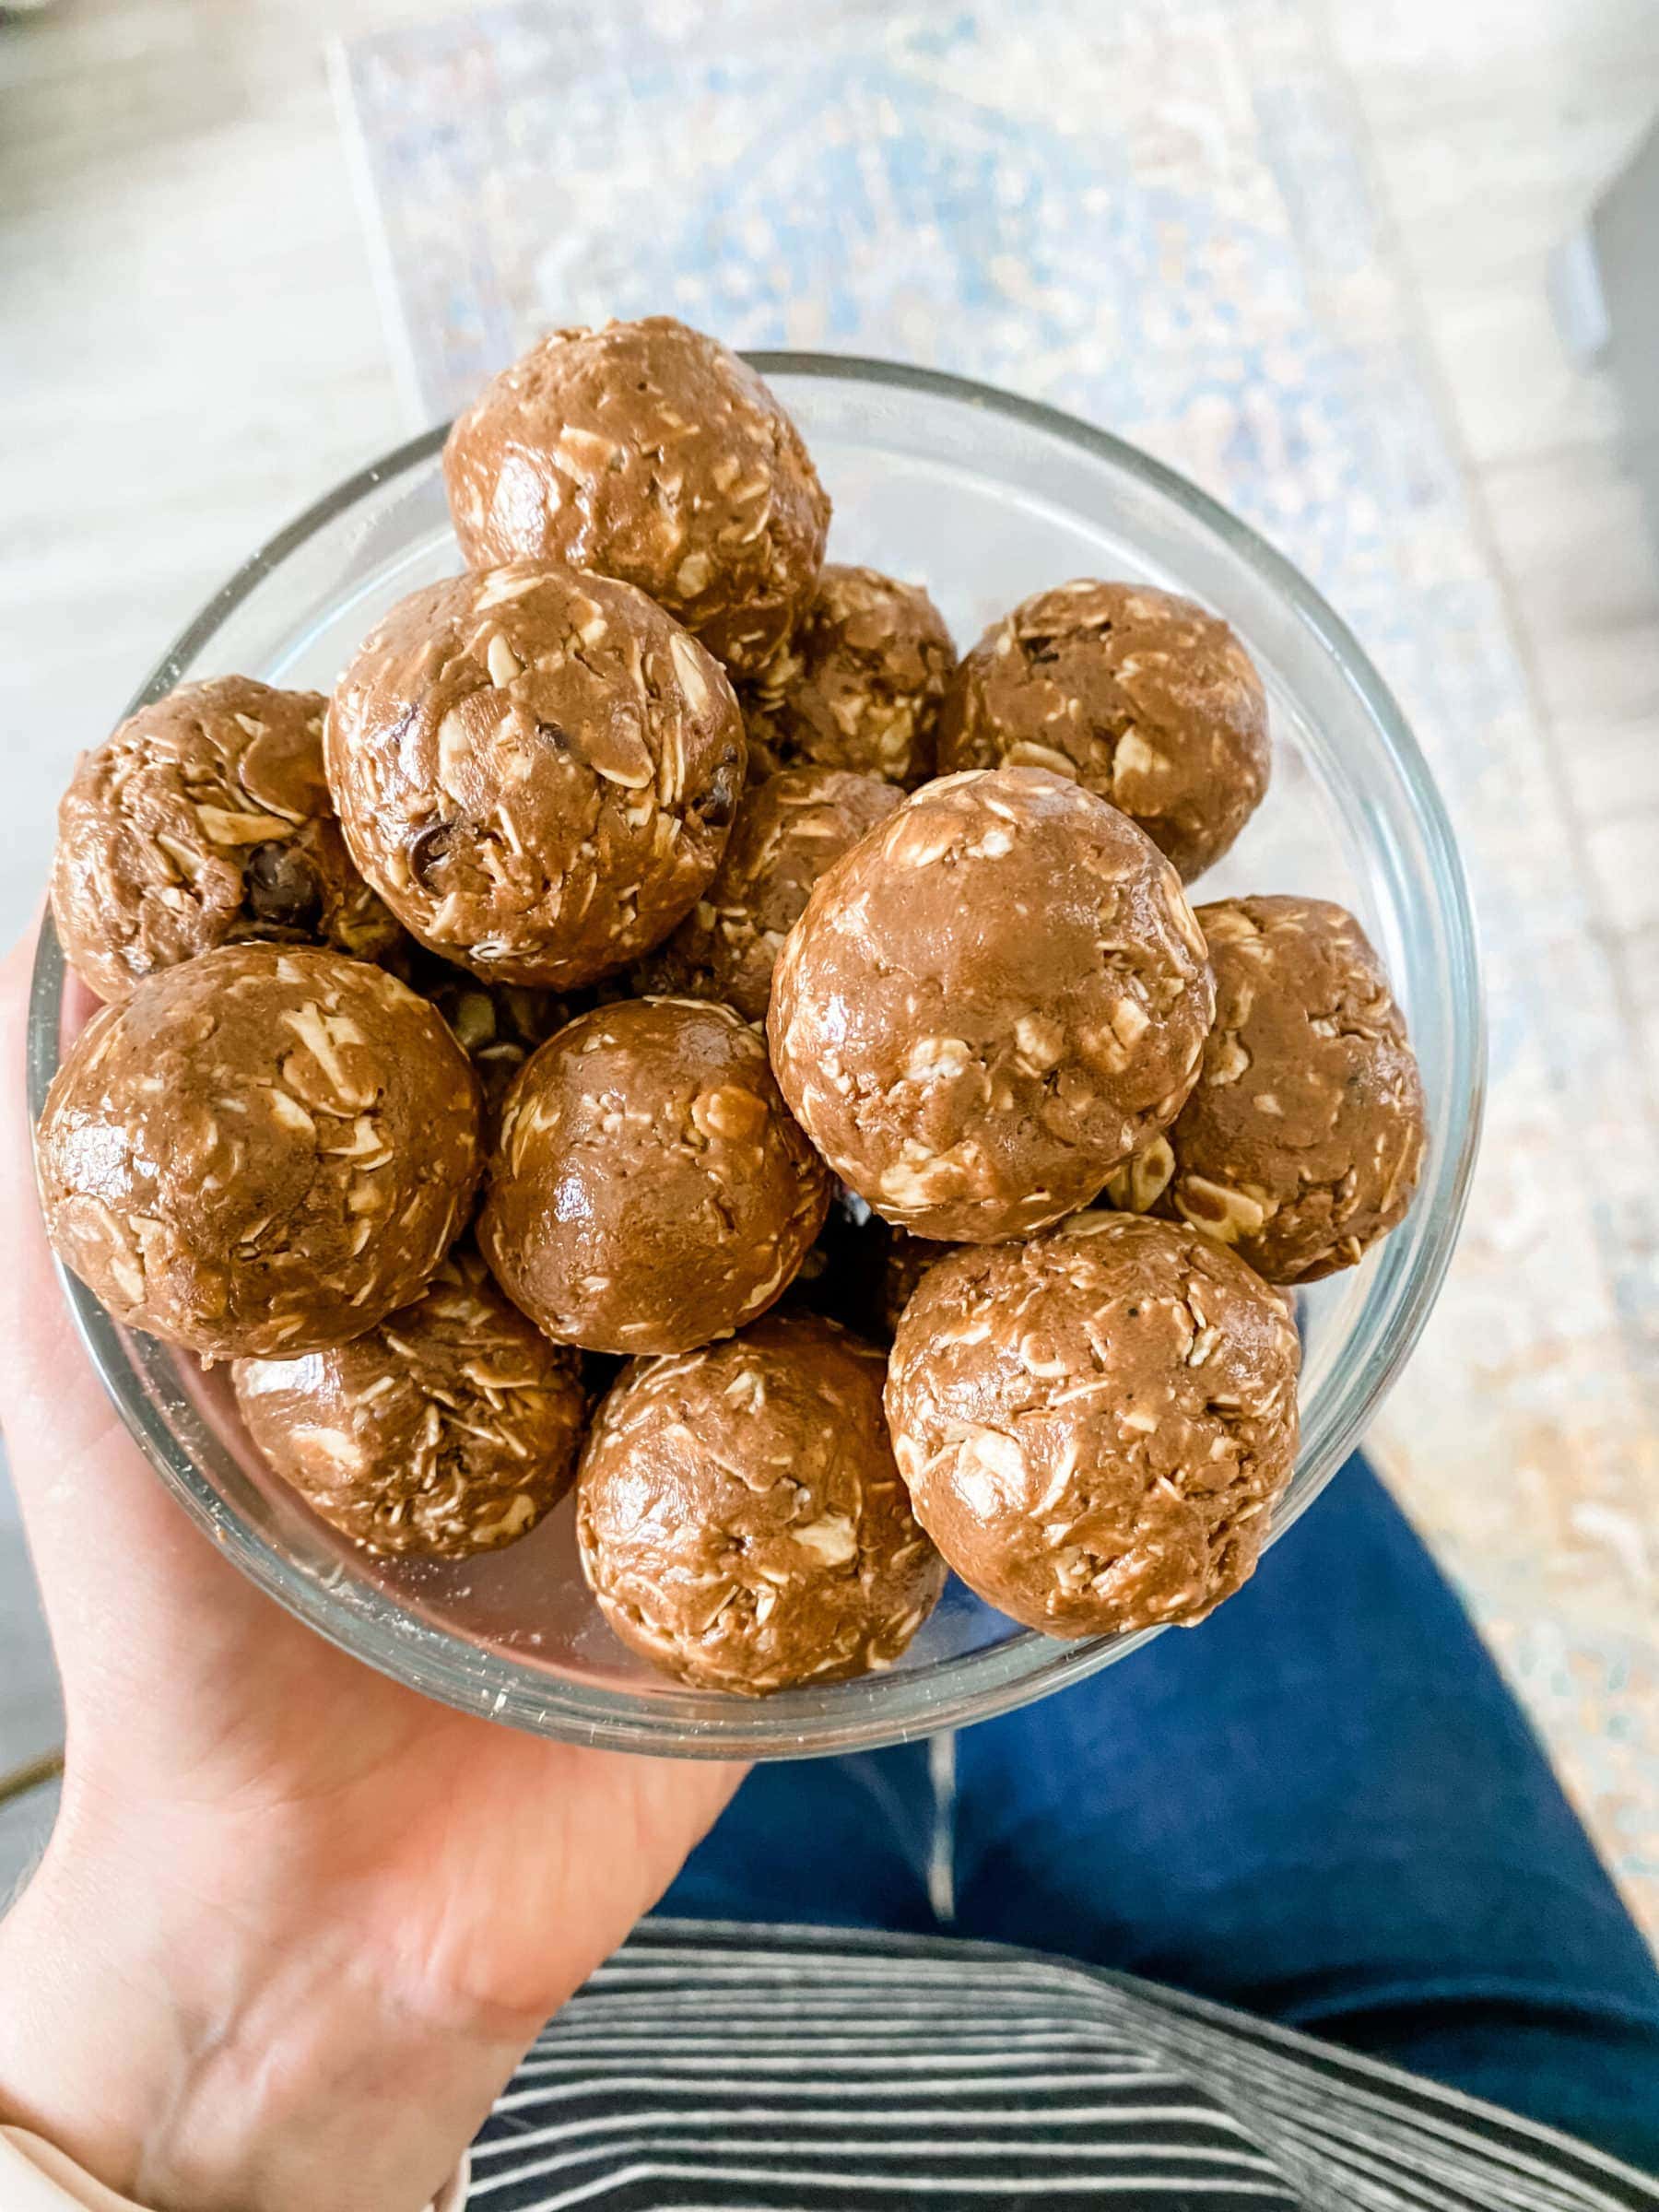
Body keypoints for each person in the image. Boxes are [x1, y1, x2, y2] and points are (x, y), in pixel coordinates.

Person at [0, 930, 1654, 2212]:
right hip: (1434, 2130)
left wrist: (244, 1963)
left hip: (629, 2042)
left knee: (1105, 1491)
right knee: (1180, 1474)